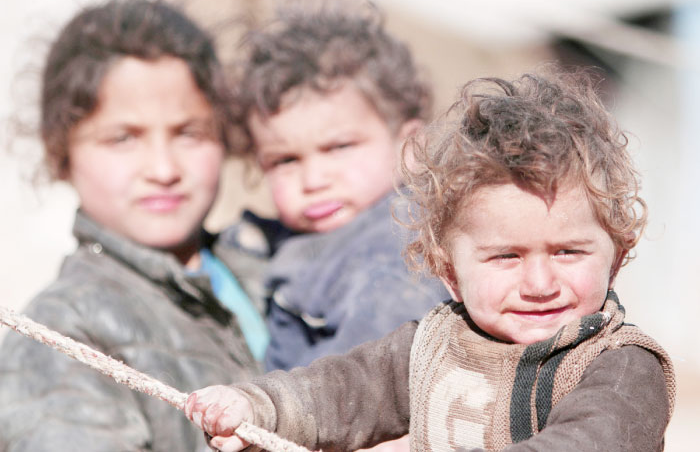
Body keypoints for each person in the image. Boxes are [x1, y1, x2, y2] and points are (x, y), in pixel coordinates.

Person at [185, 69, 677, 452]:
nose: (540, 282)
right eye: (506, 256)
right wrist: (259, 407)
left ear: (616, 258)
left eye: (568, 252)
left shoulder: (622, 369)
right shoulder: (431, 347)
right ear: (450, 274)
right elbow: (342, 390)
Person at [0, 0, 268, 452]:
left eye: (189, 132)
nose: (163, 169)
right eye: (123, 138)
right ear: (60, 153)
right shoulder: (62, 337)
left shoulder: (273, 269)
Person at [227, 0, 449, 375]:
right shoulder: (306, 239)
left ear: (410, 146)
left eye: (339, 147)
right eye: (285, 160)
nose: (314, 180)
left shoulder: (395, 255)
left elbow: (360, 387)